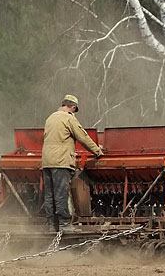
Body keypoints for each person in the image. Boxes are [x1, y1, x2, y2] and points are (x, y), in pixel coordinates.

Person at [42, 94, 103, 232]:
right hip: (61, 161)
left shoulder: (50, 118)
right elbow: (83, 137)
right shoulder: (68, 118)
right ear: (73, 107)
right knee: (61, 193)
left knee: (50, 194)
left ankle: (53, 225)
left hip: (46, 161)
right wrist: (97, 151)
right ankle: (64, 225)